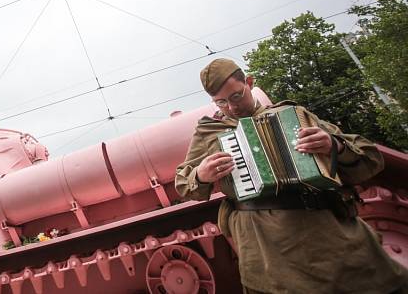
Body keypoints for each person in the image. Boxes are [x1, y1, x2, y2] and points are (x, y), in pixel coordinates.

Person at [175, 58, 408, 294]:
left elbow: (370, 158)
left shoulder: (292, 114)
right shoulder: (209, 131)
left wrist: (334, 145)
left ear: (249, 82)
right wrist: (201, 175)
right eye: (221, 102)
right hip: (266, 247)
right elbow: (184, 185)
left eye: (236, 96)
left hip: (329, 232)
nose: (231, 108)